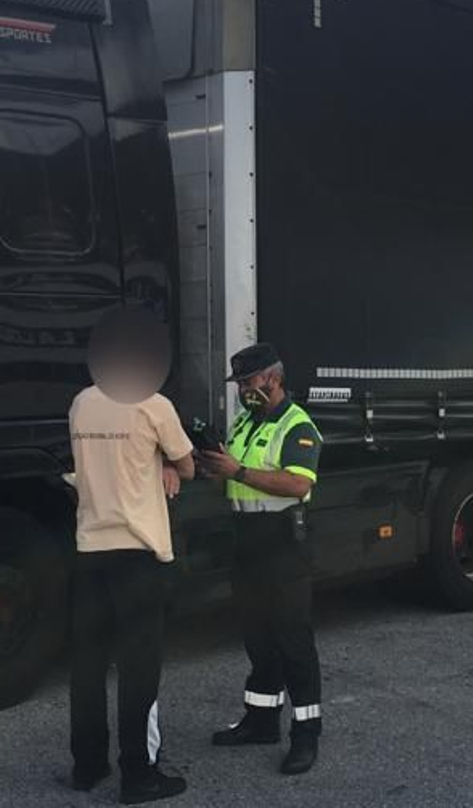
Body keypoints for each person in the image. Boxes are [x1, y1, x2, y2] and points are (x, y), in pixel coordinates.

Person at [67, 308, 195, 804]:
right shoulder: (153, 404)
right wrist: (166, 464)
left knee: (87, 667)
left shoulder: (81, 404)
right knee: (139, 672)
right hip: (137, 554)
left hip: (89, 550)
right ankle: (139, 776)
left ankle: (87, 765)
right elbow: (186, 466)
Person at [195, 342, 325, 775]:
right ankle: (261, 721)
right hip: (247, 544)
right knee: (258, 639)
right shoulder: (244, 423)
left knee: (293, 643)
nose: (242, 390)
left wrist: (238, 471)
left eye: (248, 381)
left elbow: (298, 484)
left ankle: (306, 735)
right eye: (239, 384)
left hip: (284, 547)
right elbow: (231, 482)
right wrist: (214, 468)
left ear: (273, 377)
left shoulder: (297, 424)